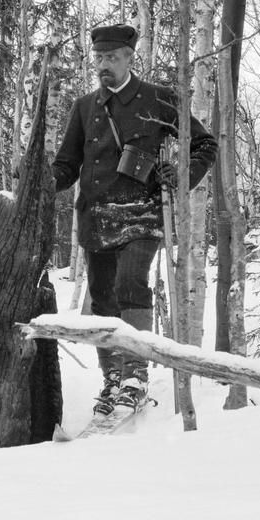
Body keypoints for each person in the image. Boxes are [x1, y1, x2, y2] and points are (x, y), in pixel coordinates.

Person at [52, 24, 217, 415]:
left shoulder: (158, 99)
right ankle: (112, 377)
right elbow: (66, 165)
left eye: (112, 58)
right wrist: (41, 181)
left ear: (129, 58)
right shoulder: (84, 107)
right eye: (99, 59)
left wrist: (181, 174)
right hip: (96, 218)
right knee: (104, 298)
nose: (104, 65)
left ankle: (135, 375)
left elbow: (204, 143)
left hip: (143, 214)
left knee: (130, 284)